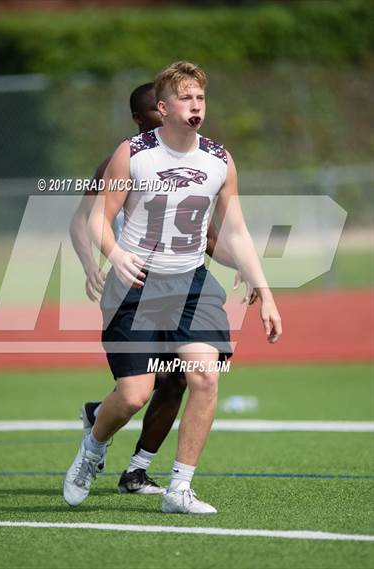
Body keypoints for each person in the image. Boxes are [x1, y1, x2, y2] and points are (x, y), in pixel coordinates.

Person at [64, 63, 280, 514]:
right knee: (133, 395)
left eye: (201, 98)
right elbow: (96, 219)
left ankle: (179, 490)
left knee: (202, 376)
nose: (196, 106)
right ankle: (93, 450)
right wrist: (113, 253)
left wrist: (264, 287)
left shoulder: (219, 159)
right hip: (136, 286)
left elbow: (233, 230)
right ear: (162, 109)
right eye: (186, 98)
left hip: (192, 284)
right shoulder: (132, 154)